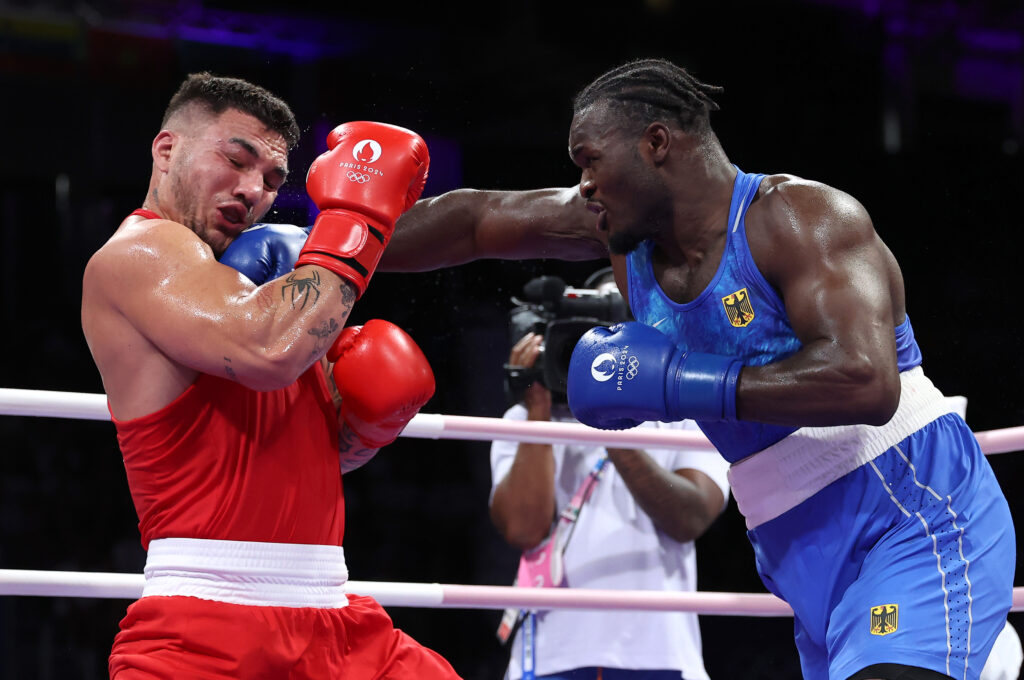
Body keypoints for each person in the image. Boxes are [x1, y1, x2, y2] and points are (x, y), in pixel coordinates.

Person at [378, 58, 1016, 680]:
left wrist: (681, 382)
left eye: (591, 161)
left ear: (657, 143)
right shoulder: (615, 233)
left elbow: (866, 380)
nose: (586, 185)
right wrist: (326, 249)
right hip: (795, 543)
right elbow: (476, 220)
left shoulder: (799, 218)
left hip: (907, 507)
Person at [81, 72, 460, 678]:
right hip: (208, 626)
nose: (252, 190)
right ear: (166, 148)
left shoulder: (248, 287)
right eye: (236, 159)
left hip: (333, 617)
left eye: (273, 180)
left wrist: (363, 426)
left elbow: (311, 455)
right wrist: (358, 211)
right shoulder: (138, 255)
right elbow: (271, 350)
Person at [490, 270, 730, 680]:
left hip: (660, 655)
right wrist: (537, 408)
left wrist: (611, 420)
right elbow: (522, 529)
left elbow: (690, 517)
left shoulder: (684, 420)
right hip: (550, 656)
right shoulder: (524, 418)